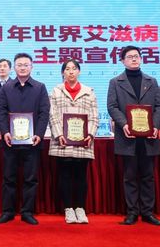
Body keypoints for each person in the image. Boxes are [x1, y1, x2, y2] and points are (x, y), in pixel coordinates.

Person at [107, 46, 160, 226]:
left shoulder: (151, 81)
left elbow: (159, 106)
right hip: (127, 136)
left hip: (148, 136)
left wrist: (155, 126)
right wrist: (124, 124)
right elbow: (112, 106)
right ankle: (132, 212)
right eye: (130, 56)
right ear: (122, 61)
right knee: (130, 176)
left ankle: (148, 212)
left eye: (136, 56)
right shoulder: (116, 82)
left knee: (148, 176)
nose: (134, 59)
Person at [0, 53, 50, 225]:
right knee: (8, 178)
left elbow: (44, 112)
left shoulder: (40, 87)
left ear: (32, 67)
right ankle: (8, 211)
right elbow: (0, 111)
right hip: (10, 141)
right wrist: (5, 131)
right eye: (19, 65)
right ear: (14, 68)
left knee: (30, 179)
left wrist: (39, 134)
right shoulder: (7, 88)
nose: (23, 67)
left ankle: (27, 212)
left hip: (32, 141)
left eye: (26, 64)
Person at [48, 59, 99, 224]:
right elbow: (52, 115)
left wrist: (90, 134)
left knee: (80, 176)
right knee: (64, 175)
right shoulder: (56, 91)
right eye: (67, 69)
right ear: (63, 72)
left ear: (79, 71)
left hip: (83, 141)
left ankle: (80, 208)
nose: (71, 71)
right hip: (62, 141)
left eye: (74, 68)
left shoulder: (89, 91)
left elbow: (94, 116)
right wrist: (58, 134)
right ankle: (68, 208)